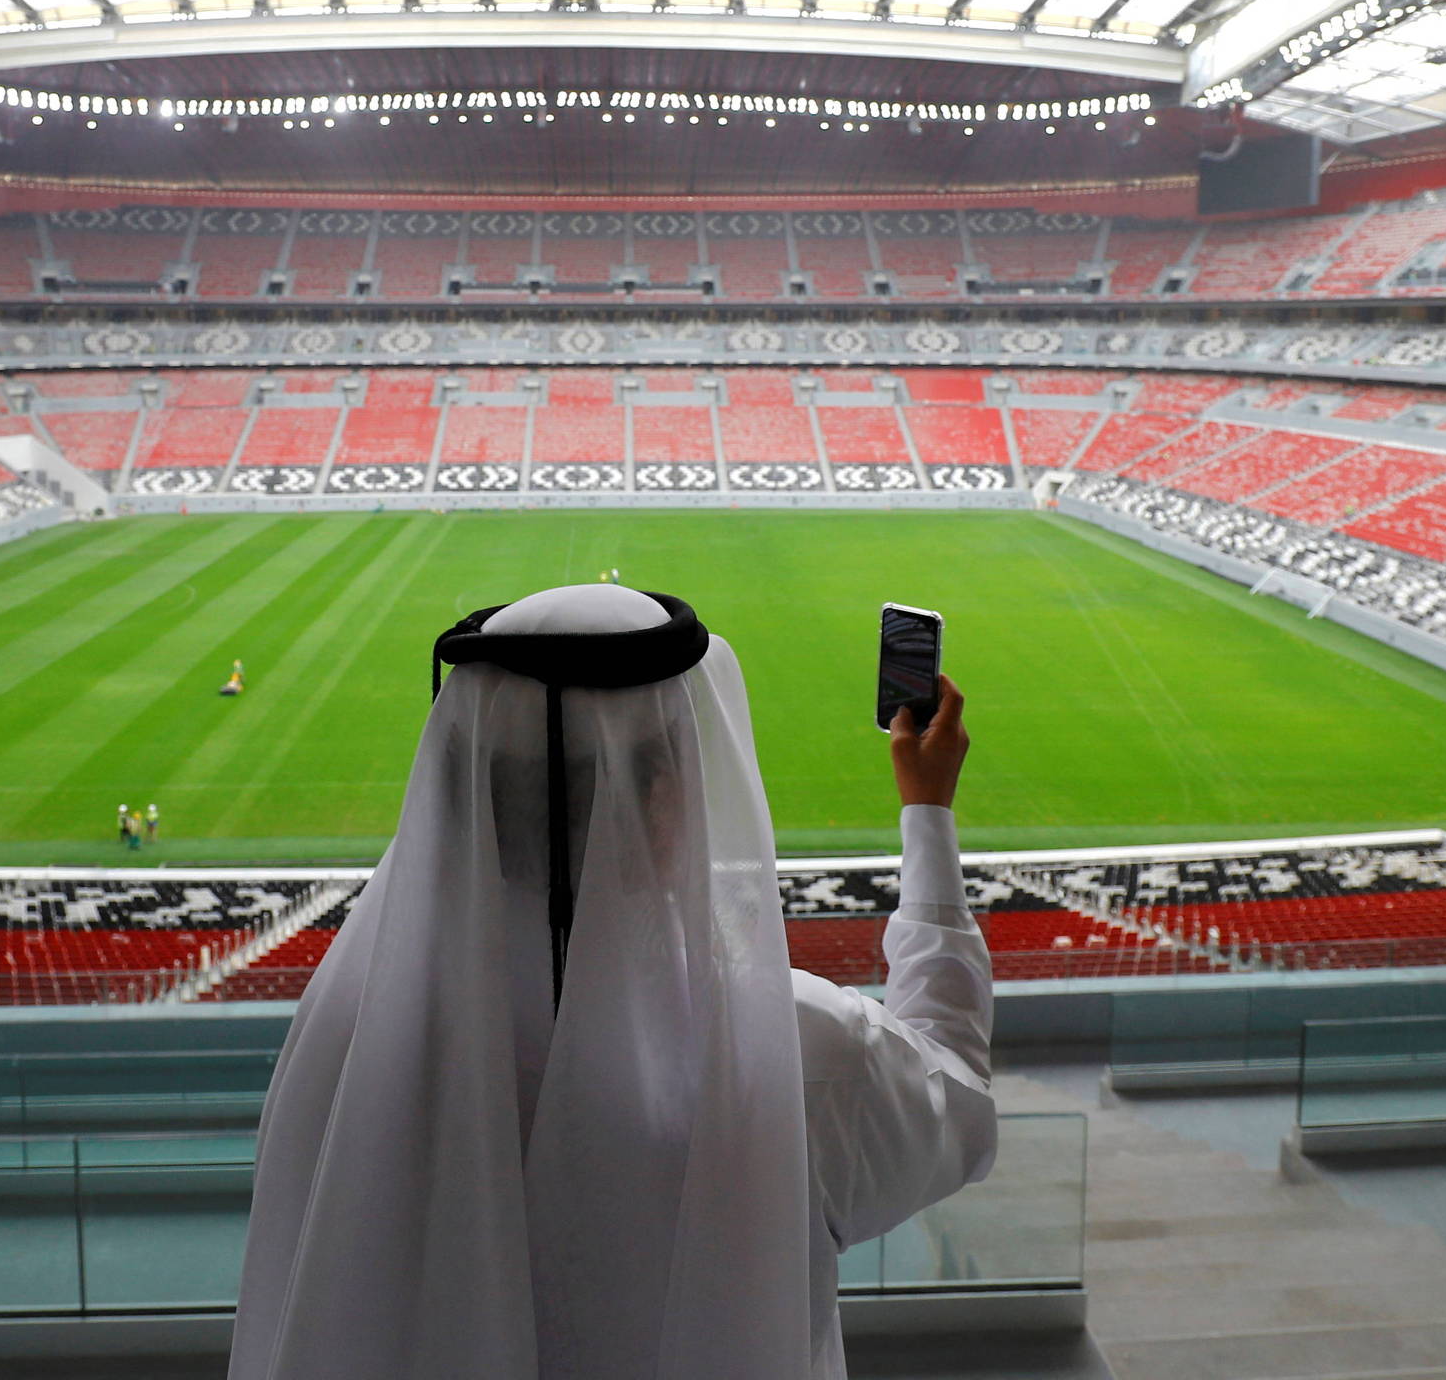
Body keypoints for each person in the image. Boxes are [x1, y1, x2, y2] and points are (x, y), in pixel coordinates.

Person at [232, 585, 992, 1380]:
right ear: (663, 802)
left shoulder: (346, 1046)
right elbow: (959, 1094)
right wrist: (928, 815)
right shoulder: (793, 1055)